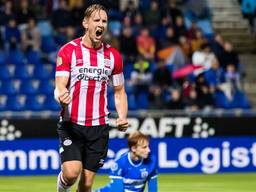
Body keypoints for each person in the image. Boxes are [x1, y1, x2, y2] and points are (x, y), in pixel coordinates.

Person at [54, 4, 129, 192]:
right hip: (72, 124)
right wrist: (60, 97)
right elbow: (59, 86)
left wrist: (122, 116)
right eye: (97, 20)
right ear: (85, 23)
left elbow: (119, 91)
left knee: (86, 185)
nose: (101, 24)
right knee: (71, 173)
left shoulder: (113, 56)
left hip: (99, 127)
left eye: (104, 21)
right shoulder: (68, 50)